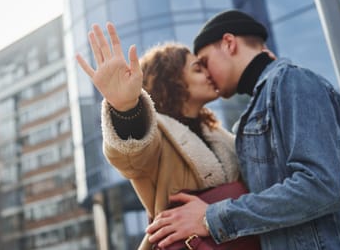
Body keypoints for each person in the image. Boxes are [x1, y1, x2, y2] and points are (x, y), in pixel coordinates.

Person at [146, 9, 340, 249]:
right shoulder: (252, 114)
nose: (207, 73)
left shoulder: (291, 82)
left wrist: (211, 217)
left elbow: (322, 186)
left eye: (206, 62)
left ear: (229, 43)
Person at [76, 23, 252, 250]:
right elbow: (132, 154)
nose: (209, 74)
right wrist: (126, 109)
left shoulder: (222, 137)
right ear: (172, 80)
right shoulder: (156, 131)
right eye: (198, 69)